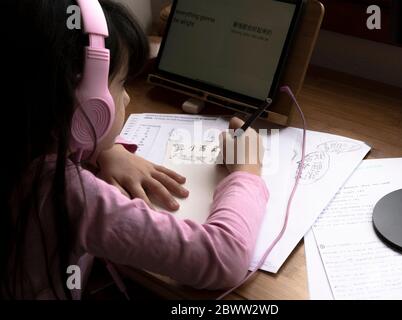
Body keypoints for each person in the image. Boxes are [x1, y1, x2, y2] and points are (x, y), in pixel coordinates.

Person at [0, 0, 268, 299]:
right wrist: (248, 172)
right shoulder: (67, 192)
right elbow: (223, 258)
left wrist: (103, 150)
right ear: (83, 103)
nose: (127, 98)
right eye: (122, 83)